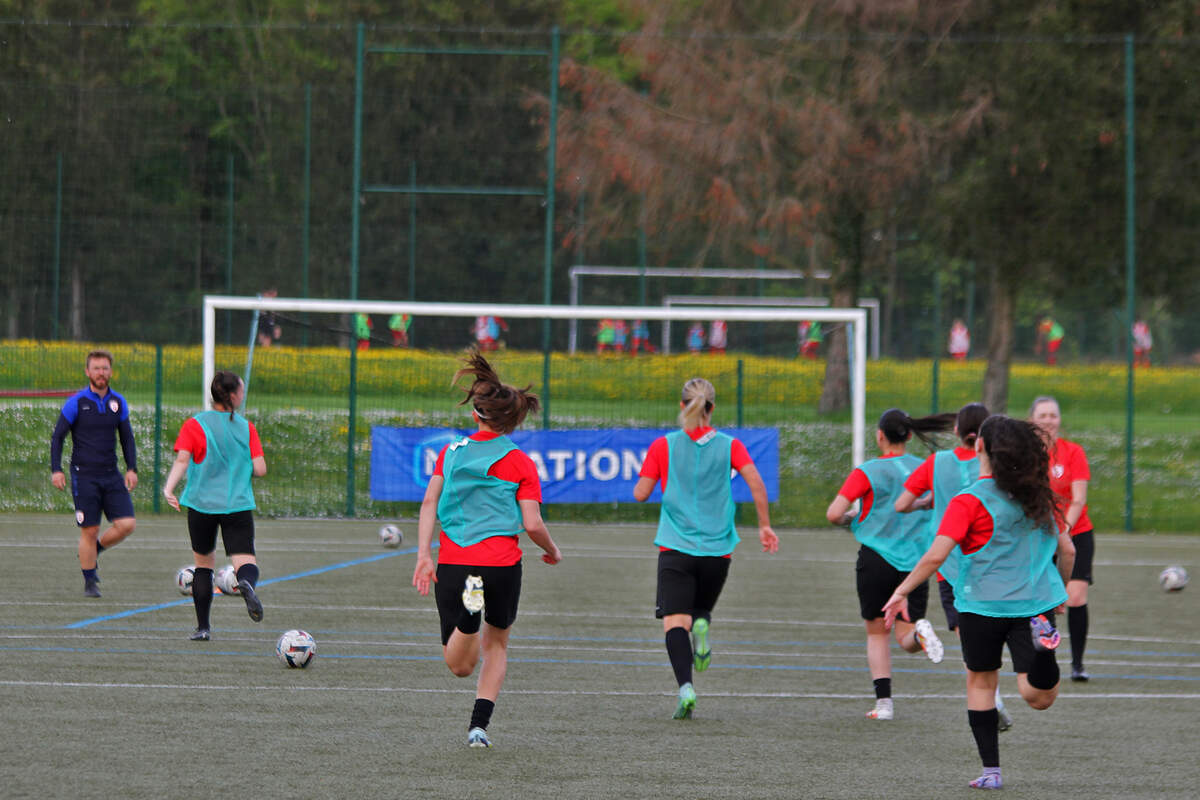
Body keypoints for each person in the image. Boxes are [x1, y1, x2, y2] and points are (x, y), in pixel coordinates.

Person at [882, 415, 1074, 791]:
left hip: (979, 607)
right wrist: (1059, 594)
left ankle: (991, 772)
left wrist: (902, 590)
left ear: (980, 448)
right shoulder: (1039, 497)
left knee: (981, 684)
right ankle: (1045, 650)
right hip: (1034, 606)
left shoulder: (967, 501)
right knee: (1038, 697)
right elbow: (1067, 550)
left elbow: (936, 556)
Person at [411, 350, 562, 748]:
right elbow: (532, 523)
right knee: (496, 645)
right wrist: (552, 549)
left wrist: (425, 555)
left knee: (458, 664)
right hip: (502, 566)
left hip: (456, 562)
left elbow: (429, 504)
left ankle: (468, 614)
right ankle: (479, 728)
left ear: (476, 413)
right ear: (513, 420)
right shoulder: (521, 462)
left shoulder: (452, 453)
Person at [633, 378, 779, 720]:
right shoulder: (730, 445)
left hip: (676, 547)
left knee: (673, 622)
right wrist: (764, 525)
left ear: (683, 406)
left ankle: (686, 687)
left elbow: (641, 493)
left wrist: (655, 479)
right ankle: (703, 624)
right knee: (698, 612)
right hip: (718, 550)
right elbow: (756, 481)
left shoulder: (664, 445)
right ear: (712, 408)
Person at [825, 408, 954, 721]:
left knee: (876, 634)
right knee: (905, 637)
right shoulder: (926, 468)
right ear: (909, 435)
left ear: (879, 436)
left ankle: (884, 704)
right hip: (915, 564)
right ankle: (920, 634)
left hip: (876, 559)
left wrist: (851, 518)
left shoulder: (867, 471)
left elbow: (833, 513)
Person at [894, 403, 1015, 731]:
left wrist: (927, 502)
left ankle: (993, 700)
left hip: (951, 562)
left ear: (956, 431)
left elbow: (901, 504)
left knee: (971, 642)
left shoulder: (937, 463)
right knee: (1001, 629)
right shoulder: (996, 463)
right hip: (992, 558)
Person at [162, 371, 267, 640]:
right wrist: (241, 468)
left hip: (201, 505)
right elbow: (260, 468)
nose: (242, 396)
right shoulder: (246, 427)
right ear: (232, 396)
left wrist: (168, 488)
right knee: (245, 561)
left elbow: (183, 460)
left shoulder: (195, 425)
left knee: (203, 566)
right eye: (241, 391)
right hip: (237, 505)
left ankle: (203, 628)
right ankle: (245, 582)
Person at [49, 349, 138, 598]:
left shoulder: (118, 402)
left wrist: (132, 468)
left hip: (111, 474)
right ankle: (90, 581)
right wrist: (56, 470)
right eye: (96, 368)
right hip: (84, 475)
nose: (101, 373)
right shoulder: (76, 402)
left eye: (105, 368)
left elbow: (127, 438)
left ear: (111, 371)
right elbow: (58, 438)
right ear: (88, 372)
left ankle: (94, 550)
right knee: (89, 529)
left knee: (127, 524)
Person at [1029, 395, 1094, 682]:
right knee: (1043, 601)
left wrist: (1064, 527)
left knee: (1075, 597)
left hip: (1075, 532)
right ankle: (1044, 660)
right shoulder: (1025, 455)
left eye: (1053, 415)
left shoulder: (1073, 452)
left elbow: (1078, 499)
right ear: (1032, 419)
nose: (1048, 420)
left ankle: (1078, 664)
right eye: (1042, 415)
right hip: (1040, 537)